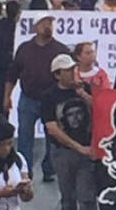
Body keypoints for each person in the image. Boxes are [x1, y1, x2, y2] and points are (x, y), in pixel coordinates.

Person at [42, 53, 104, 210]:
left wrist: (86, 96)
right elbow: (52, 128)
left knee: (87, 197)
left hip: (86, 151)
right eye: (67, 71)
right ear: (57, 74)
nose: (71, 73)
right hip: (63, 152)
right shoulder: (50, 96)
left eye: (72, 70)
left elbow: (102, 110)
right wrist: (78, 147)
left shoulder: (83, 90)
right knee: (68, 198)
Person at [5, 13, 69, 182]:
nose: (47, 26)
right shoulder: (25, 49)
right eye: (43, 23)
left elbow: (70, 76)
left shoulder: (61, 50)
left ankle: (49, 169)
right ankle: (25, 171)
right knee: (25, 136)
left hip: (52, 100)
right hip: (28, 98)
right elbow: (12, 74)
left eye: (50, 23)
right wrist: (7, 96)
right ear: (35, 28)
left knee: (53, 137)